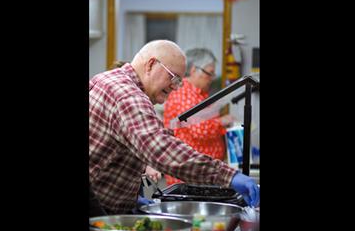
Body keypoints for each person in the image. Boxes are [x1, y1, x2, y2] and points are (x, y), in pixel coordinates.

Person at [89, 39, 259, 215]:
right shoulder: (127, 96)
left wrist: (129, 198)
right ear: (151, 65)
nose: (175, 87)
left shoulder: (109, 80)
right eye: (174, 77)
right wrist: (229, 176)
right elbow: (161, 150)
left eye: (179, 81)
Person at [162, 48, 235, 186]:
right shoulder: (184, 94)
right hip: (188, 175)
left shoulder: (199, 94)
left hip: (202, 173)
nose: (212, 79)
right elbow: (199, 130)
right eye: (209, 74)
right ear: (194, 70)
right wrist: (222, 122)